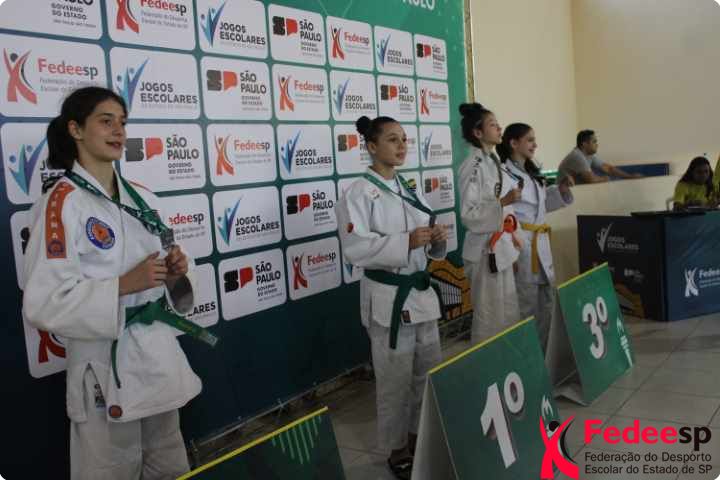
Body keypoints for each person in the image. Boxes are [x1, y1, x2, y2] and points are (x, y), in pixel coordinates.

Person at [22, 86, 212, 479]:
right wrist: (122, 285)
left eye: (122, 123)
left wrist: (177, 273)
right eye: (105, 121)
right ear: (75, 129)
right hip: (103, 369)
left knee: (171, 466)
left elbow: (174, 283)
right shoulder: (60, 204)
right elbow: (44, 302)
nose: (118, 132)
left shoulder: (143, 199)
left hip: (156, 359)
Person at [336, 115, 447, 479]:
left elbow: (425, 236)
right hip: (388, 297)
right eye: (392, 139)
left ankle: (419, 437)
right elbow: (356, 248)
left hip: (420, 295)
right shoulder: (357, 194)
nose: (401, 146)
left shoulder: (408, 188)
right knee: (394, 381)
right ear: (371, 146)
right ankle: (397, 448)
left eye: (404, 139)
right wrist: (405, 242)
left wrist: (435, 239)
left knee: (426, 374)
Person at [496, 123, 574, 351]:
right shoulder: (503, 173)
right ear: (513, 143)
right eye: (529, 140)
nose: (535, 145)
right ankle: (526, 357)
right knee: (526, 304)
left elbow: (540, 206)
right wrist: (509, 249)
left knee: (546, 301)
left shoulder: (530, 172)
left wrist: (561, 190)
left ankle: (545, 354)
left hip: (540, 241)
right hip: (521, 244)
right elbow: (502, 214)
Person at [457, 103, 522, 345]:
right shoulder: (472, 166)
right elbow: (468, 214)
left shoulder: (494, 161)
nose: (499, 128)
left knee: (508, 312)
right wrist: (503, 202)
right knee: (489, 318)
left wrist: (514, 240)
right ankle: (488, 364)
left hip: (501, 249)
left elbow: (506, 209)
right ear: (478, 132)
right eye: (493, 125)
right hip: (484, 252)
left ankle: (508, 361)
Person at [558, 130, 642, 184]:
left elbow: (608, 169)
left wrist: (629, 177)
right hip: (562, 195)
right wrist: (605, 179)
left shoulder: (589, 155)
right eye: (594, 142)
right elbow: (591, 180)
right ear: (585, 144)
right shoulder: (577, 156)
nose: (597, 145)